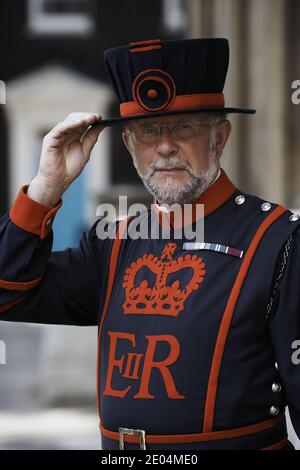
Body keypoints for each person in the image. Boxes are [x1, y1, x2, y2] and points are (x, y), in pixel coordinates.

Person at [0, 38, 299, 450]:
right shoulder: (113, 241)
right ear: (128, 146)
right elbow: (6, 292)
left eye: (183, 127)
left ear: (220, 136)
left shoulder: (279, 239)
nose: (164, 146)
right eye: (147, 131)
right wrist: (45, 188)